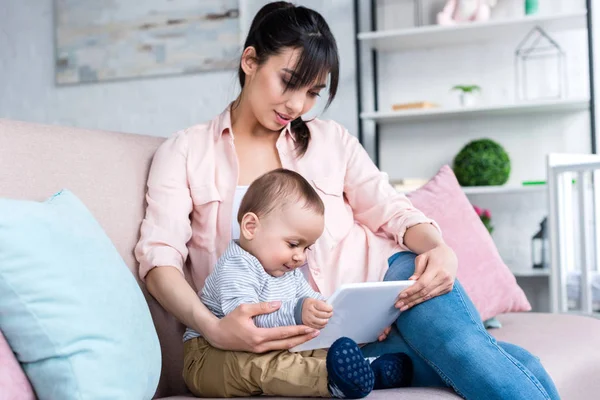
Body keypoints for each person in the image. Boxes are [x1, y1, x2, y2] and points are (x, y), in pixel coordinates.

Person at [135, 2, 560, 399]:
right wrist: (214, 328)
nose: (297, 105)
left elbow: (392, 210)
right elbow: (159, 262)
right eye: (288, 81)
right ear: (250, 61)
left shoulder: (330, 141)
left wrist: (437, 247)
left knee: (469, 354)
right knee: (515, 364)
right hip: (322, 337)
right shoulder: (187, 152)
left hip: (390, 285)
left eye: (313, 92)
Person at [182, 168, 412, 398]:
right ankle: (332, 380)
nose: (300, 257)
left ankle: (366, 370)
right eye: (293, 244)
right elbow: (247, 324)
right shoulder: (237, 265)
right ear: (251, 227)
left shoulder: (288, 272)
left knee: (314, 347)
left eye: (306, 248)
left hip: (269, 346)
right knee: (266, 365)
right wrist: (297, 312)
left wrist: (362, 321)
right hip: (210, 357)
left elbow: (317, 304)